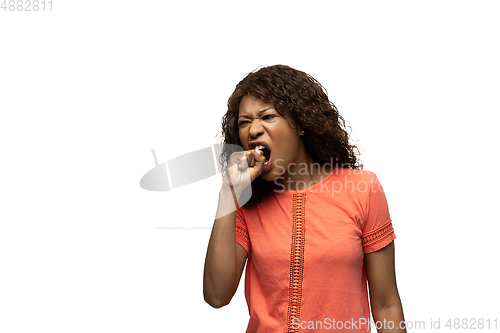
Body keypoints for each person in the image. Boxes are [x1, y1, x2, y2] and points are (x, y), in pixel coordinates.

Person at [203, 65, 406, 333]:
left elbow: (386, 306)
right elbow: (217, 296)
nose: (253, 130)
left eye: (267, 116)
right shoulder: (244, 201)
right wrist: (228, 193)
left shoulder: (363, 189)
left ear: (300, 124)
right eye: (244, 122)